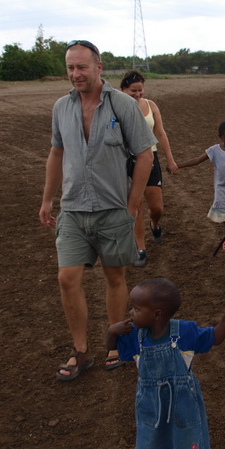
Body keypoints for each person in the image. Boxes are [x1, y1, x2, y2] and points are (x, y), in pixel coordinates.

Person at [39, 40, 155, 380]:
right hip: (73, 208)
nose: (75, 74)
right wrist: (47, 200)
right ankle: (80, 350)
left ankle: (116, 342)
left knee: (114, 276)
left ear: (98, 67)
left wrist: (133, 203)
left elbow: (145, 155)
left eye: (82, 67)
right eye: (70, 68)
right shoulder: (61, 107)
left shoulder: (122, 105)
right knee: (67, 278)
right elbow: (56, 154)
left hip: (113, 208)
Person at [105, 278, 225, 449]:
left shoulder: (185, 331)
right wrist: (111, 331)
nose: (131, 312)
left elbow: (214, 338)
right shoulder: (135, 336)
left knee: (185, 437)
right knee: (156, 439)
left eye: (136, 308)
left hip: (182, 401)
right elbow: (112, 349)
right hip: (151, 403)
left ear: (157, 314)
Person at [119, 70, 178, 267]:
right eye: (132, 91)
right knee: (136, 206)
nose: (137, 94)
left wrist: (169, 159)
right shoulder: (118, 107)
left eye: (140, 91)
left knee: (156, 207)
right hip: (128, 159)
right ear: (123, 90)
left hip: (150, 158)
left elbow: (160, 133)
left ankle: (155, 225)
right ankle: (140, 247)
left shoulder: (151, 105)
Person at [178, 121, 225, 265]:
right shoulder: (214, 151)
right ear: (220, 137)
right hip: (222, 192)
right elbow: (197, 160)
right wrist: (178, 166)